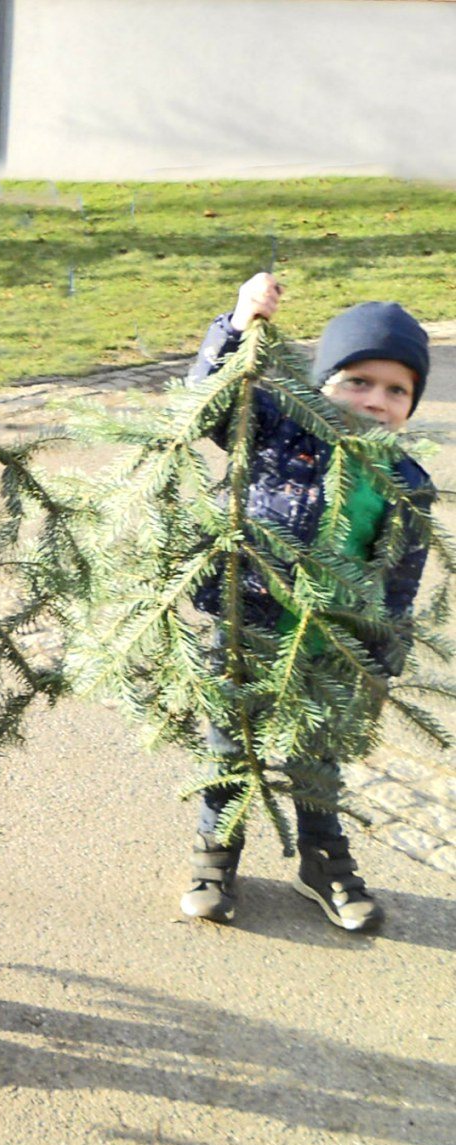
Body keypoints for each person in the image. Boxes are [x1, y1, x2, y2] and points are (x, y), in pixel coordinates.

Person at [180, 274, 434, 931]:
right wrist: (238, 322)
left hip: (331, 649)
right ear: (321, 383)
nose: (375, 400)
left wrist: (378, 663)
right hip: (249, 627)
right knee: (230, 750)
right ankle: (216, 852)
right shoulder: (275, 428)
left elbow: (398, 584)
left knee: (317, 763)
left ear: (411, 404)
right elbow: (205, 403)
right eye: (357, 380)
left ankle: (322, 861)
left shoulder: (406, 482)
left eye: (396, 389)